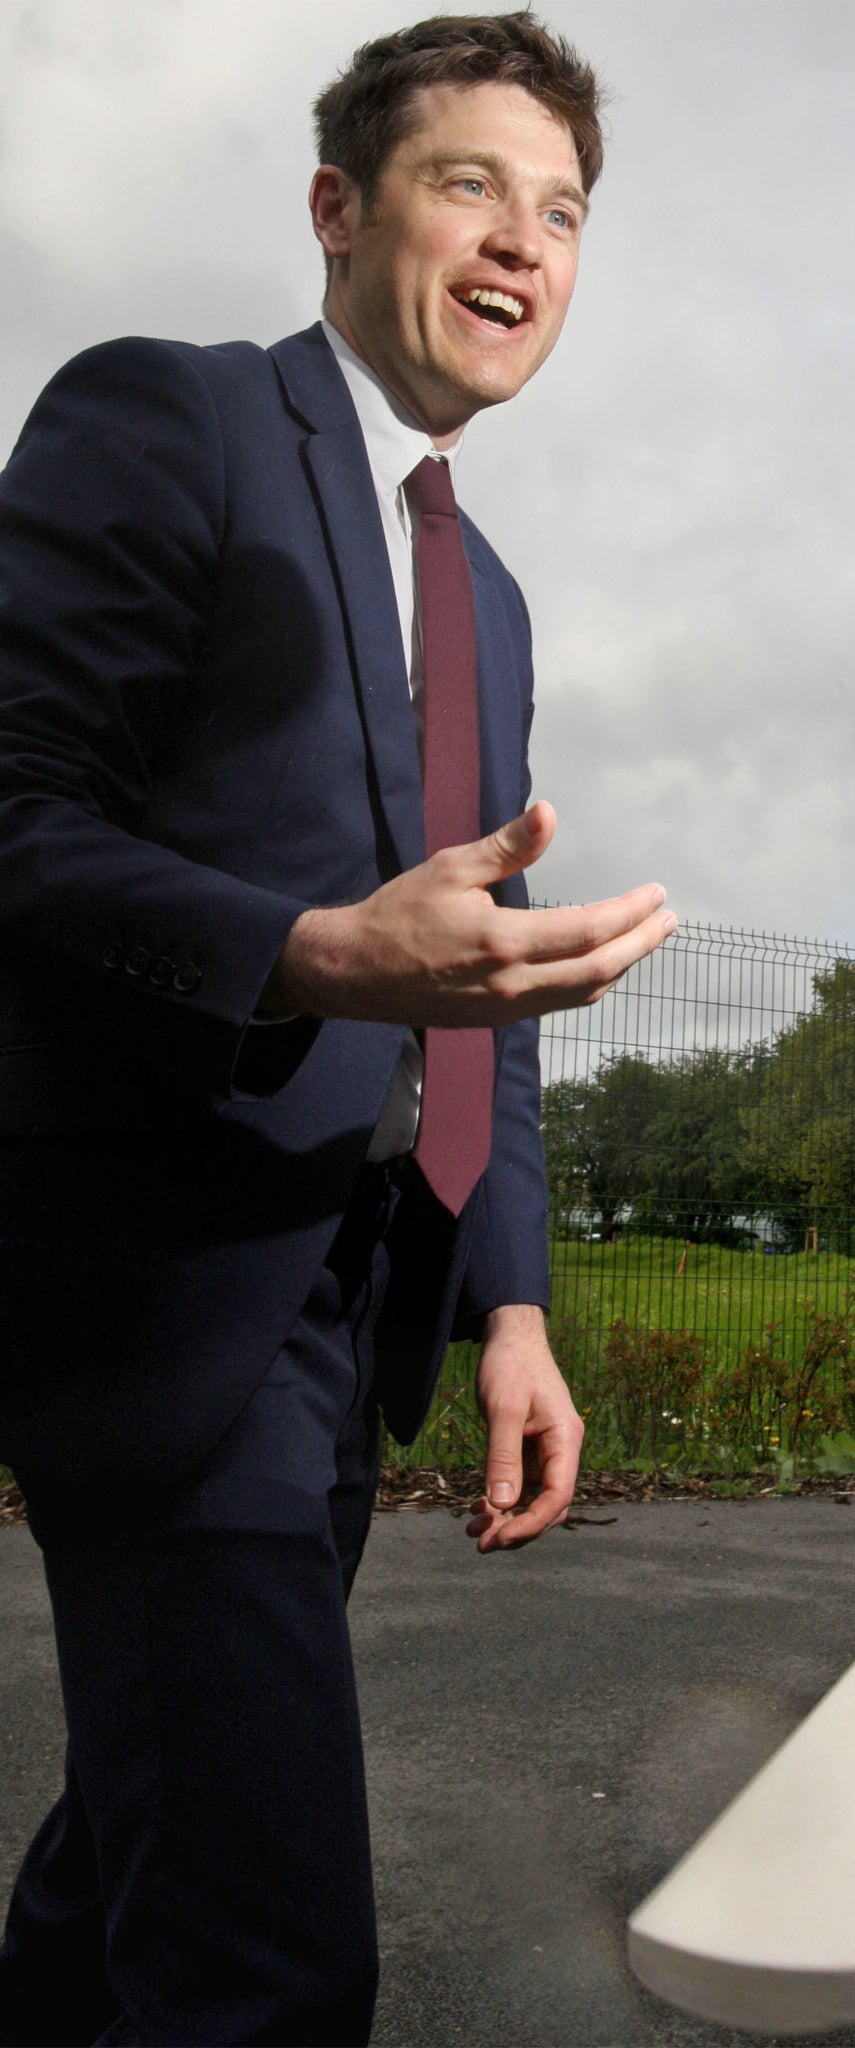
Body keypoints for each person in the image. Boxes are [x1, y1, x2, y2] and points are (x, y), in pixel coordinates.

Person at [0, 13, 674, 2044]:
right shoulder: (169, 418)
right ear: (336, 207)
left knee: (136, 1860)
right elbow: (16, 811)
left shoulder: (499, 598)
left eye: (561, 212)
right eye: (471, 181)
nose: (523, 245)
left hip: (355, 1307)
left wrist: (515, 1307)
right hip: (167, 1299)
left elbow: (471, 974)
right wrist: (301, 952)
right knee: (264, 1956)